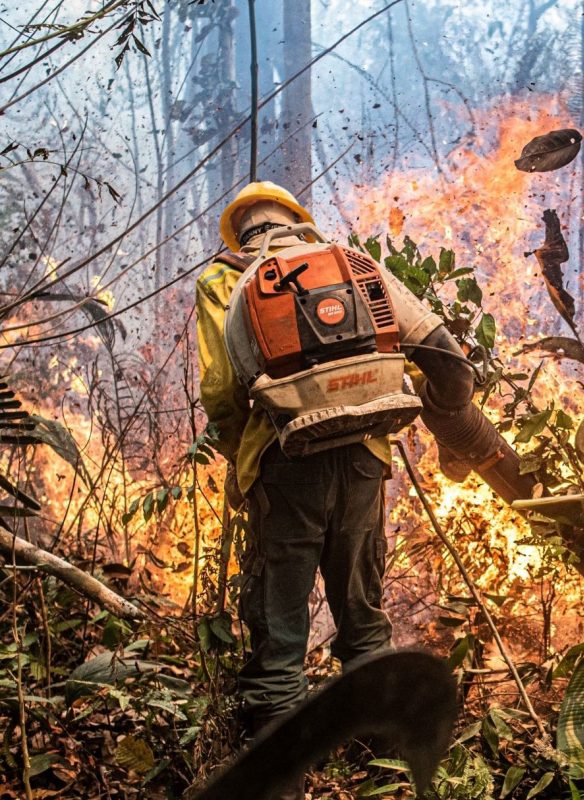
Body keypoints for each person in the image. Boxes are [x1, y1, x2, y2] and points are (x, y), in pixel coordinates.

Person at [196, 181, 535, 800]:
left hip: (283, 463)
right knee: (362, 614)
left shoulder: (222, 282)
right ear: (299, 220)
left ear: (238, 232)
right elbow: (447, 356)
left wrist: (245, 461)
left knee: (280, 623)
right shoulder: (352, 265)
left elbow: (222, 393)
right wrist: (446, 423)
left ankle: (281, 785)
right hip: (363, 461)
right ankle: (390, 769)